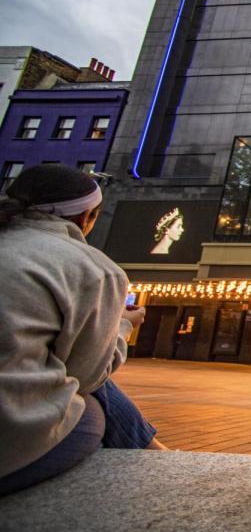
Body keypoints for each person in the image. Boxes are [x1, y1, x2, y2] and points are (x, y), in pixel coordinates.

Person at [0, 164, 166, 496]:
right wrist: (123, 325)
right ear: (86, 216)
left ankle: (158, 454)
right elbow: (89, 376)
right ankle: (158, 463)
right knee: (88, 401)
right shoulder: (96, 269)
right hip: (10, 444)